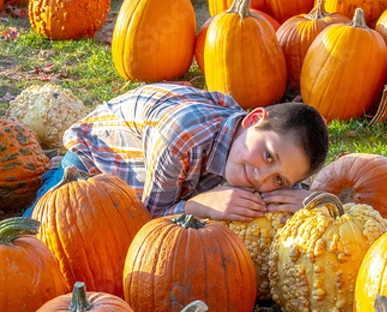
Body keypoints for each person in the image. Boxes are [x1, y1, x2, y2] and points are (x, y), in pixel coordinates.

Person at [24, 81, 329, 220]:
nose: (260, 178)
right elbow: (148, 219)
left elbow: (287, 179)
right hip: (93, 161)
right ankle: (52, 177)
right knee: (41, 230)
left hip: (161, 174)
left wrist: (310, 199)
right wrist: (199, 205)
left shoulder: (251, 149)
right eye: (268, 156)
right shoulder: (182, 137)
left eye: (278, 180)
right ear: (252, 120)